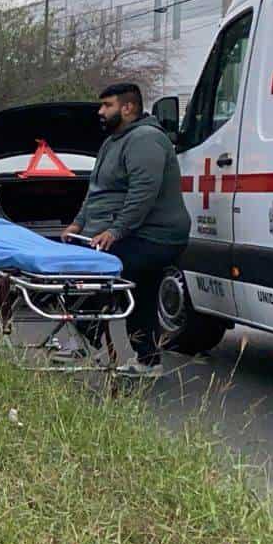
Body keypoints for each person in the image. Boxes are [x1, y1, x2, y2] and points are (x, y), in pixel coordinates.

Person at [65, 82, 191, 376]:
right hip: (137, 233)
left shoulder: (145, 139)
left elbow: (143, 193)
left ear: (128, 107)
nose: (100, 111)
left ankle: (85, 343)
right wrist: (79, 222)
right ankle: (148, 360)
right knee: (142, 293)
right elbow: (96, 189)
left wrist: (116, 231)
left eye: (106, 105)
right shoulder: (114, 141)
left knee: (96, 274)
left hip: (157, 236)